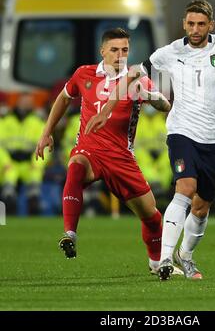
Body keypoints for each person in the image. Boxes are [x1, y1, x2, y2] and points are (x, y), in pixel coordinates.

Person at [84, 0, 215, 281]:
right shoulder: (170, 52)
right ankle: (166, 258)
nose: (195, 29)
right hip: (182, 131)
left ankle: (186, 255)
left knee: (202, 207)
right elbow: (133, 73)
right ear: (184, 23)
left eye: (201, 24)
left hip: (214, 139)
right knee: (185, 187)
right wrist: (107, 109)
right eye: (190, 23)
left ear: (211, 25)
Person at [35, 28, 181, 276]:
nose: (120, 55)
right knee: (76, 165)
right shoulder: (85, 74)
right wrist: (46, 131)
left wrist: (148, 95)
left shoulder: (136, 78)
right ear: (102, 51)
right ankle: (70, 233)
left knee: (152, 217)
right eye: (114, 50)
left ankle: (156, 263)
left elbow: (165, 105)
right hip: (90, 148)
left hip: (121, 157)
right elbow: (62, 98)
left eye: (124, 50)